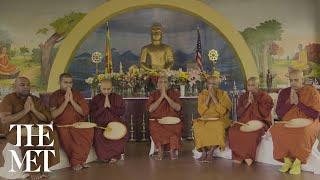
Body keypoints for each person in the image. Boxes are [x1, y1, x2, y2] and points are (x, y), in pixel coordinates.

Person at [0, 77, 59, 180]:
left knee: (51, 133)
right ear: (15, 87)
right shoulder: (8, 99)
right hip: (15, 130)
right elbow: (5, 120)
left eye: (28, 84)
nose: (26, 87)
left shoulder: (35, 99)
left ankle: (42, 167)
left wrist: (34, 110)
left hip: (34, 127)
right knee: (33, 137)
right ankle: (32, 169)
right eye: (22, 85)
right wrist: (25, 111)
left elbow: (47, 118)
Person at [270, 69, 320, 175]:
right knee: (275, 129)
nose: (293, 83)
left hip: (309, 122)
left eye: (296, 80)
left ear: (302, 79)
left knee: (303, 131)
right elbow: (279, 113)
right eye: (291, 80)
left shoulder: (312, 91)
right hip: (289, 122)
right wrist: (290, 103)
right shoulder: (284, 92)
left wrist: (298, 103)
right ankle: (287, 160)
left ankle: (298, 161)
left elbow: (315, 114)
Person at [50, 73, 93, 171]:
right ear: (59, 83)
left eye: (70, 82)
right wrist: (66, 101)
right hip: (62, 125)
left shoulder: (77, 94)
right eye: (65, 82)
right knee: (67, 136)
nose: (68, 85)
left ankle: (81, 161)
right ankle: (75, 163)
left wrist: (72, 101)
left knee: (89, 131)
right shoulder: (54, 96)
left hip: (78, 124)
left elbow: (84, 112)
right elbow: (53, 115)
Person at [228, 77, 273, 166]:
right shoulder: (243, 96)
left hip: (260, 122)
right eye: (249, 85)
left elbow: (264, 113)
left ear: (258, 86)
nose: (251, 88)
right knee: (233, 131)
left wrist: (255, 103)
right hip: (244, 122)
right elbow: (238, 113)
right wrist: (248, 103)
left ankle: (248, 156)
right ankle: (238, 155)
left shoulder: (265, 97)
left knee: (252, 133)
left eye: (253, 85)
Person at [193, 72, 232, 162]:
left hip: (220, 118)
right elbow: (201, 111)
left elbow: (223, 111)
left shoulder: (223, 94)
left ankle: (211, 151)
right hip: (205, 118)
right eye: (210, 84)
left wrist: (214, 98)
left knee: (217, 126)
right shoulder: (202, 94)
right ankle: (203, 151)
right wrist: (208, 98)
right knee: (197, 125)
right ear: (207, 84)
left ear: (218, 84)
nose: (212, 86)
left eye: (214, 84)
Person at [90, 79, 128, 163]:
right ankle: (104, 156)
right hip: (101, 125)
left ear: (112, 88)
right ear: (100, 88)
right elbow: (93, 114)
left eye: (109, 89)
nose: (106, 91)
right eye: (104, 89)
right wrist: (103, 107)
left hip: (115, 124)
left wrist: (110, 107)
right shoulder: (96, 99)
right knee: (98, 135)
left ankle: (115, 156)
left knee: (121, 135)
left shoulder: (117, 97)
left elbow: (122, 112)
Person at [147, 75, 183, 160]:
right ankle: (160, 151)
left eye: (165, 82)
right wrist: (161, 97)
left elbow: (178, 108)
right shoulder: (153, 94)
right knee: (155, 127)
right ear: (157, 85)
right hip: (158, 120)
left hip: (172, 120)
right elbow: (150, 109)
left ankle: (172, 151)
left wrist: (166, 96)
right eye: (161, 82)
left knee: (176, 127)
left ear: (169, 84)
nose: (163, 84)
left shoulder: (174, 93)